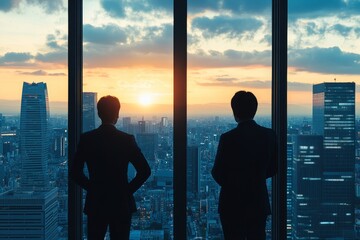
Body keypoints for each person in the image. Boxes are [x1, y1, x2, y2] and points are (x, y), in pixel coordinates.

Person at [70, 95, 151, 240]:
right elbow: (145, 171)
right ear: (117, 114)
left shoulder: (87, 139)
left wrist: (93, 187)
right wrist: (126, 190)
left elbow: (75, 173)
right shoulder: (126, 140)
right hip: (120, 203)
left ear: (99, 114)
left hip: (96, 202)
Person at [211, 91, 277, 240]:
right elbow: (274, 168)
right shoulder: (269, 135)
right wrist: (256, 178)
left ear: (235, 112)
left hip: (232, 203)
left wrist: (233, 184)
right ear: (255, 110)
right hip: (257, 201)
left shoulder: (228, 138)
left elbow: (217, 172)